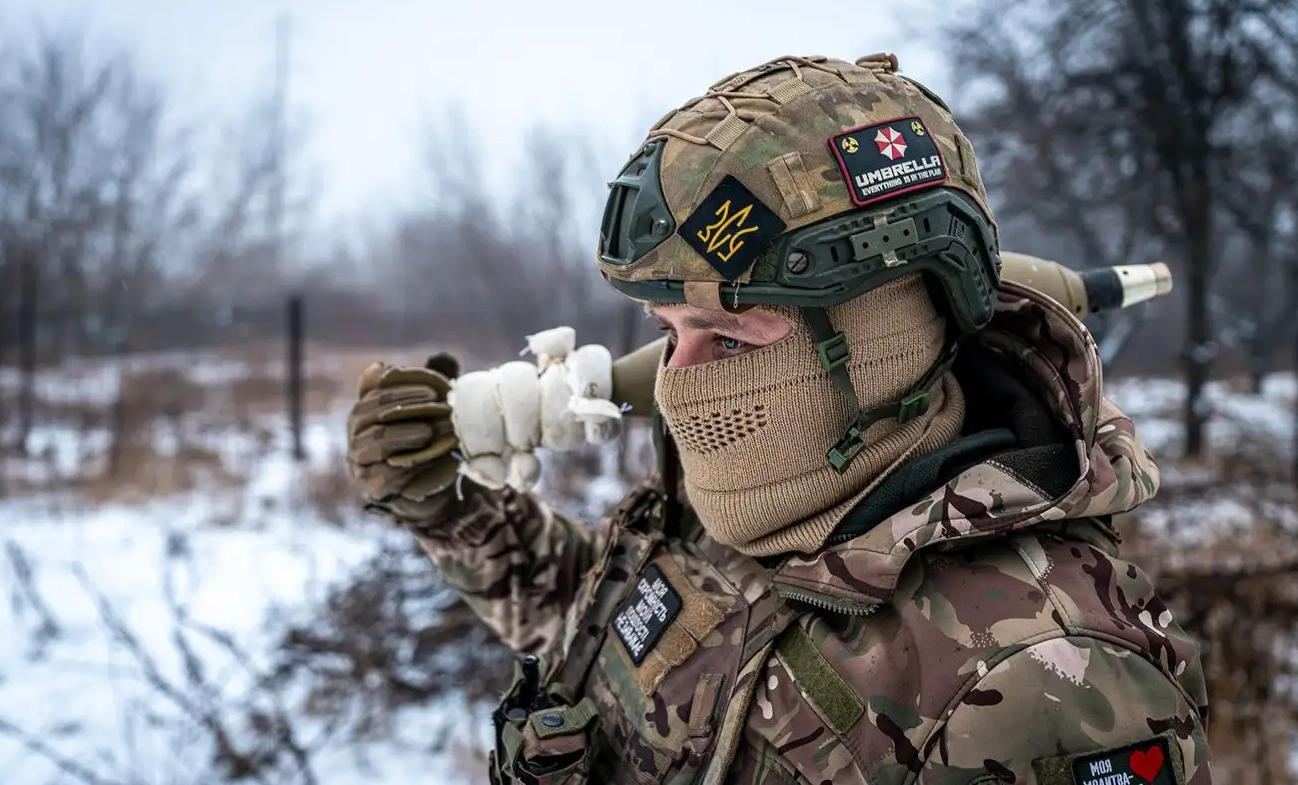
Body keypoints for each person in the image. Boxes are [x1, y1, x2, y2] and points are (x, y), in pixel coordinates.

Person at [346, 54, 1213, 784]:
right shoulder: (761, 486)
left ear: (887, 334)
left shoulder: (1039, 688)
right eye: (666, 335)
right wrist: (446, 508)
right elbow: (622, 635)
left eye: (725, 339)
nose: (679, 389)